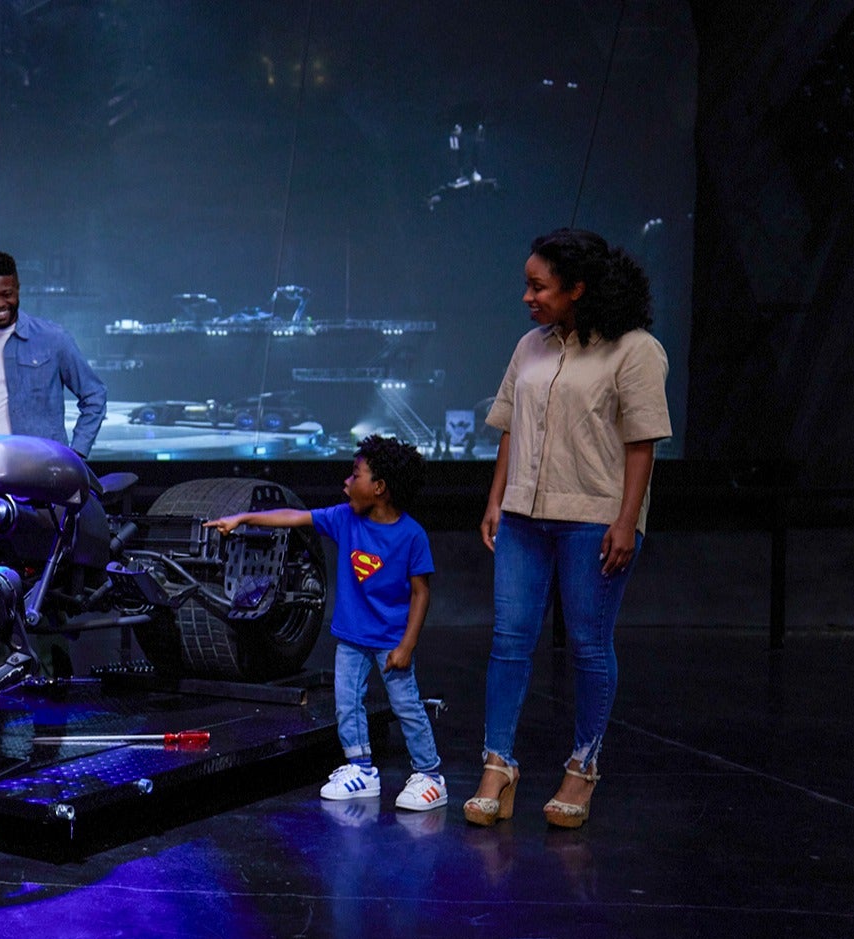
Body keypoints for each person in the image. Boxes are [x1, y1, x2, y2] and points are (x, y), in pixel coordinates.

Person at [466, 227, 671, 830]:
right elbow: (510, 427)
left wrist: (626, 521)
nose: (527, 297)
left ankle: (583, 767)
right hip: (523, 517)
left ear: (577, 288)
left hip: (594, 518)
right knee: (509, 640)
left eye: (539, 286)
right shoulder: (530, 346)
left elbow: (642, 443)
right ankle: (497, 767)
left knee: (587, 644)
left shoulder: (635, 349)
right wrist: (496, 500)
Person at [206, 435, 444, 813]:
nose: (346, 483)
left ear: (379, 487)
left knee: (406, 706)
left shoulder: (411, 535)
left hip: (390, 641)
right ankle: (361, 769)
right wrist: (243, 518)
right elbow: (293, 518)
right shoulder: (344, 518)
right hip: (352, 639)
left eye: (355, 475)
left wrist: (407, 645)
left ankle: (430, 775)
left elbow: (421, 593)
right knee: (347, 705)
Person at [0, 250, 106, 456]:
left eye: (7, 294)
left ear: (18, 288)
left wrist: (76, 453)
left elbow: (94, 395)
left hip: (42, 468)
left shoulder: (53, 339)